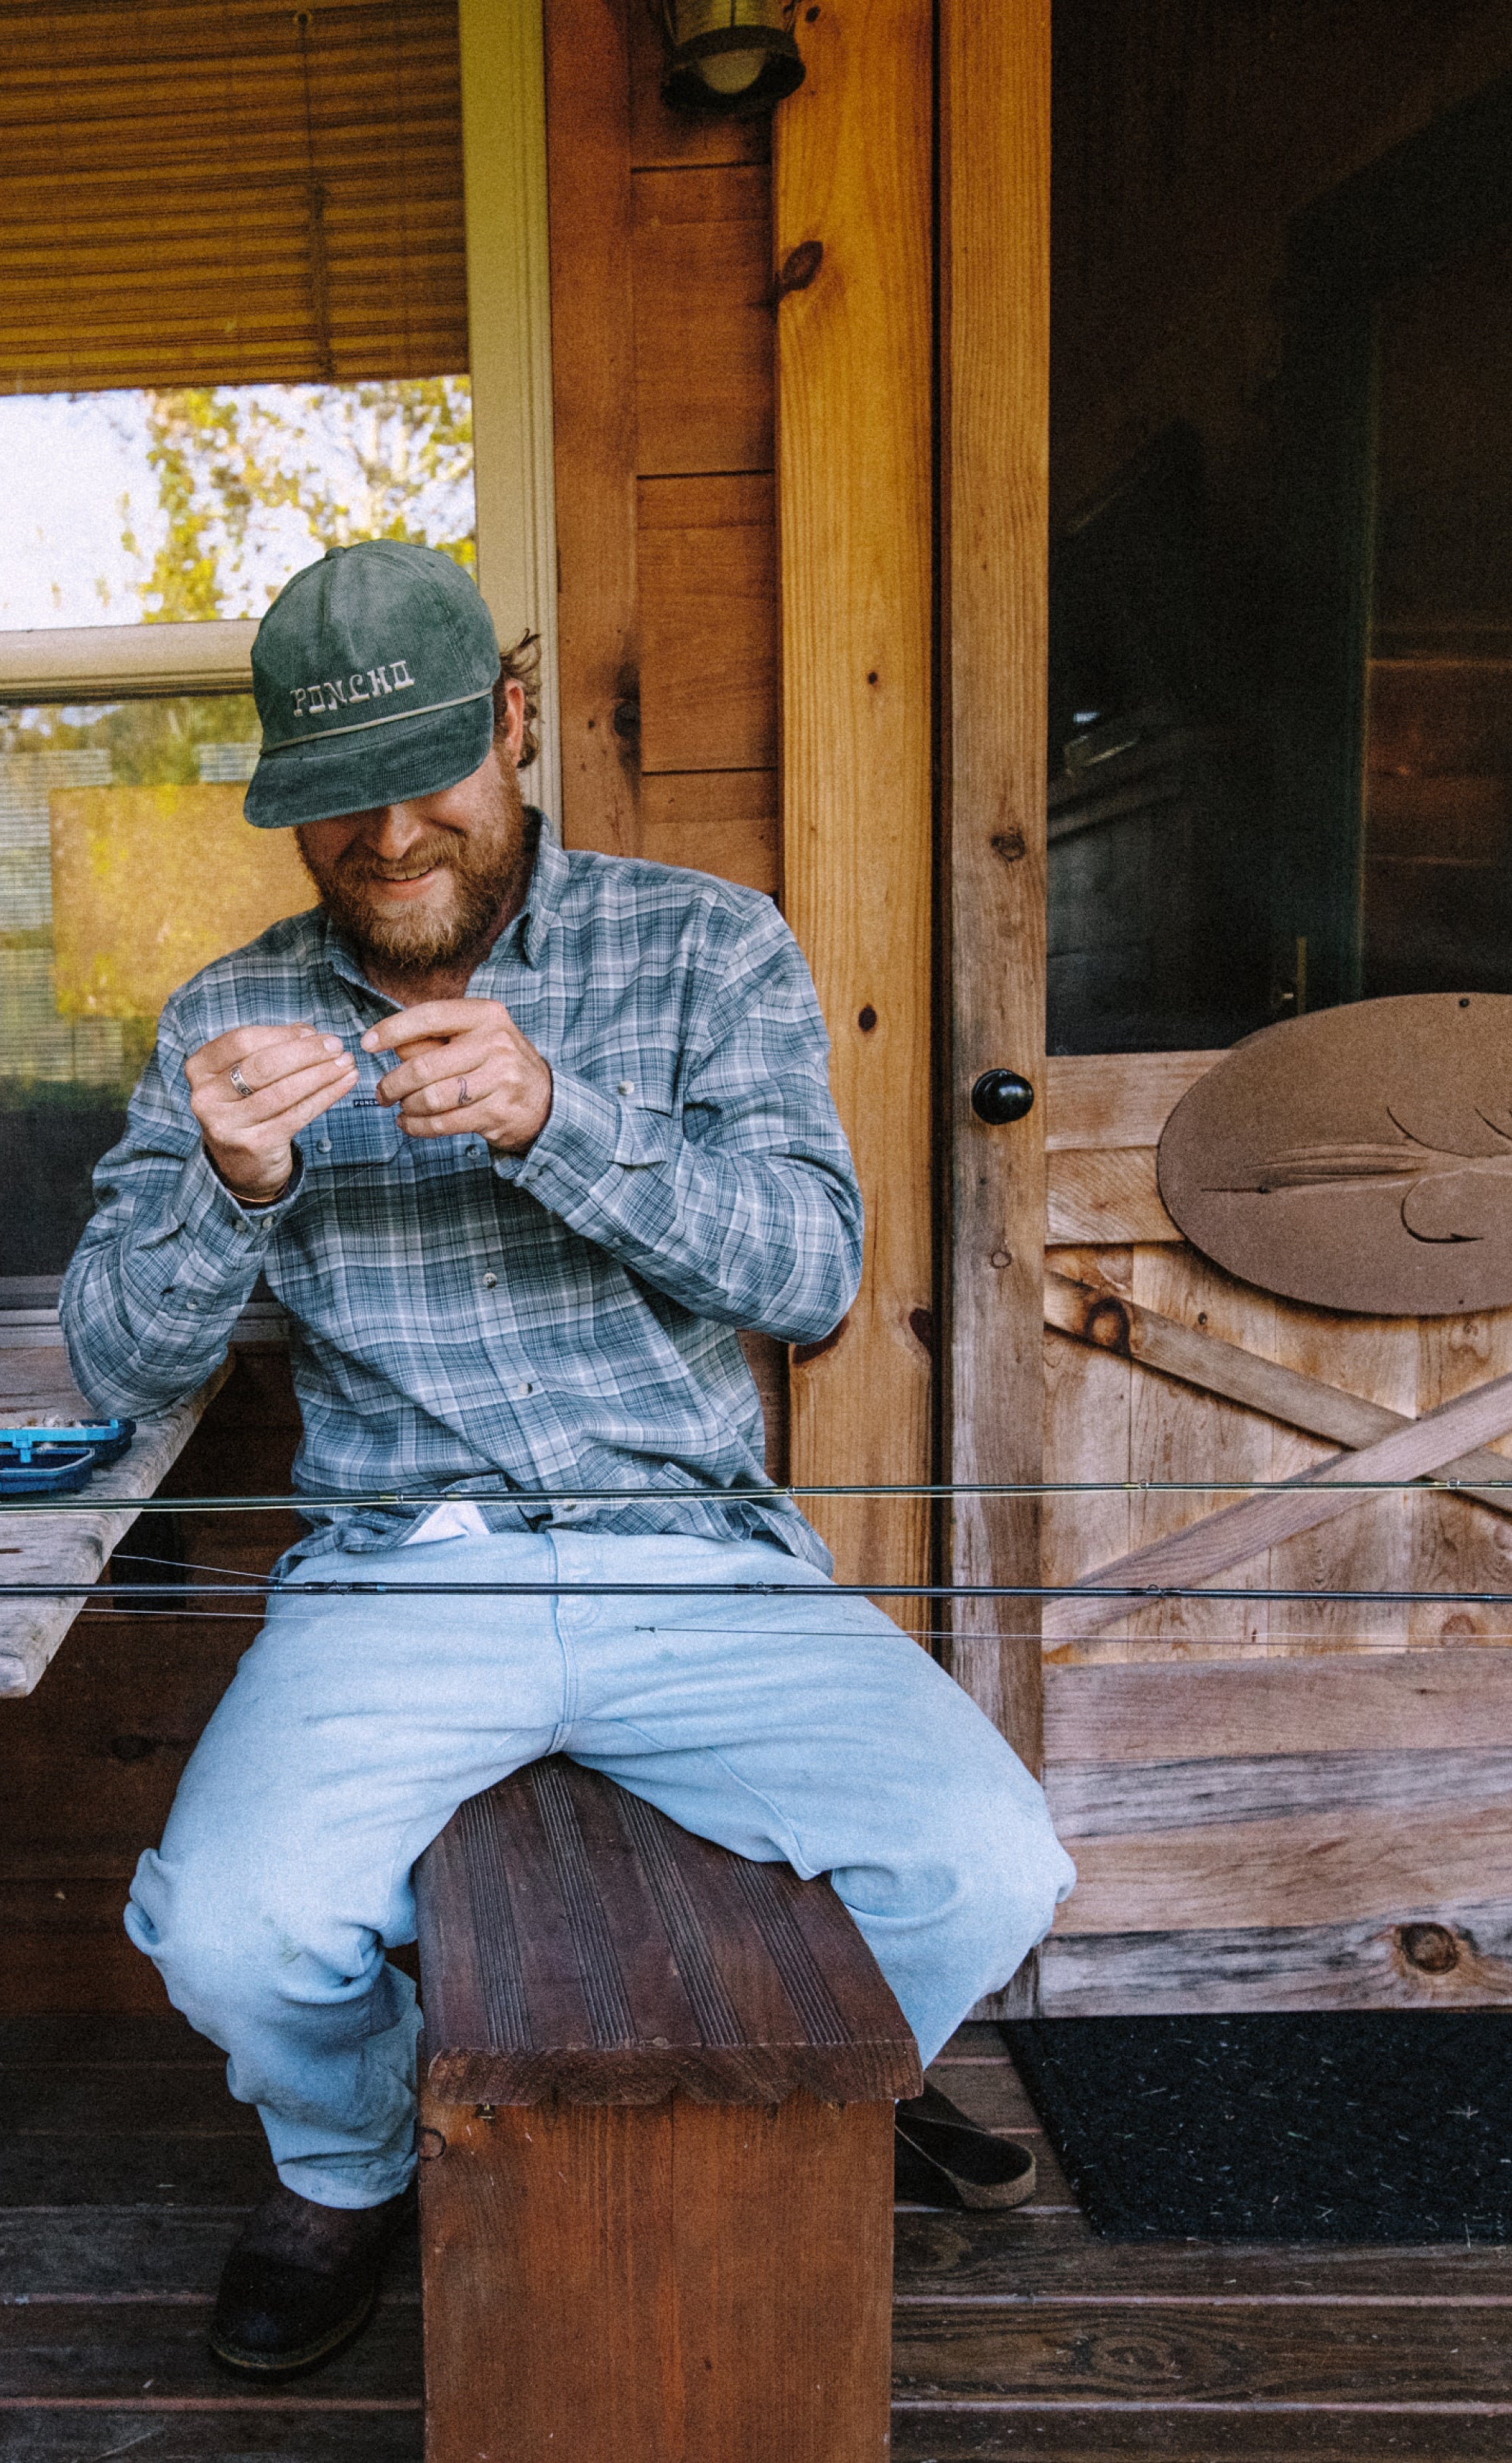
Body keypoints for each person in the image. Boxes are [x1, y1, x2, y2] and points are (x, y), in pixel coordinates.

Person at [60, 539, 1075, 2380]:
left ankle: (821, 2099)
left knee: (986, 1869)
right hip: (394, 1571)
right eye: (336, 801)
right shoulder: (226, 1020)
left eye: (430, 775)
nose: (389, 835)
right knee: (231, 1933)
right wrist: (229, 1191)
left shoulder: (708, 943)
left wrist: (559, 1120)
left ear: (516, 726)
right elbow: (118, 1362)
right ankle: (352, 2163)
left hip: (691, 1556)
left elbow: (817, 1276)